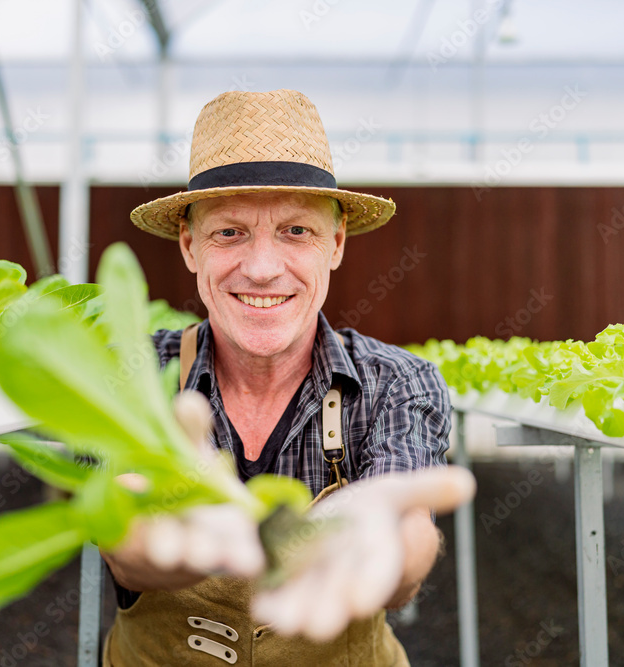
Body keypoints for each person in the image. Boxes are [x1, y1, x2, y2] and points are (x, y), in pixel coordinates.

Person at [100, 89, 474, 666]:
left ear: (336, 243)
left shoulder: (396, 381)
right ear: (189, 245)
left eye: (296, 231)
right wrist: (154, 539)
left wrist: (382, 547)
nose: (262, 268)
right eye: (229, 232)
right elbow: (122, 540)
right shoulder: (133, 374)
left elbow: (408, 533)